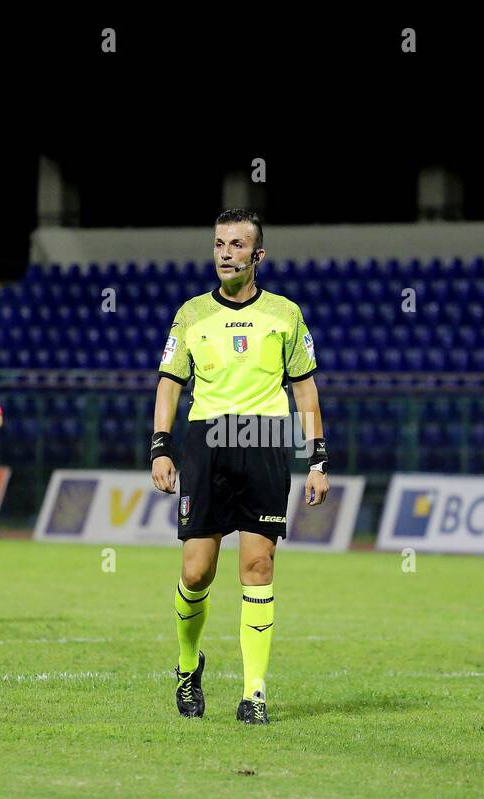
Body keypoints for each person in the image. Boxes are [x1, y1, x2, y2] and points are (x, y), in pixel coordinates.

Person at [151, 208, 328, 724]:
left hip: (266, 440)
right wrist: (161, 446)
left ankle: (254, 692)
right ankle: (188, 666)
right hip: (207, 442)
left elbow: (305, 390)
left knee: (257, 567)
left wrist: (318, 457)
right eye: (219, 244)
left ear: (258, 255)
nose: (226, 253)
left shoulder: (286, 315)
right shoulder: (190, 314)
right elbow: (169, 384)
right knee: (196, 570)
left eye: (236, 245)